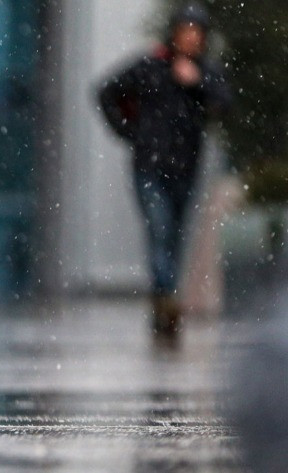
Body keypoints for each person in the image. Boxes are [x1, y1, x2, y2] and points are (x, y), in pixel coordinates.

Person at [97, 3, 231, 340]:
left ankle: (164, 295)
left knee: (175, 234)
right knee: (159, 230)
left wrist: (197, 83)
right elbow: (106, 92)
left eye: (195, 33)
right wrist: (129, 131)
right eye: (184, 31)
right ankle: (165, 297)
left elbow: (224, 104)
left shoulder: (206, 71)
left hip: (186, 167)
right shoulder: (150, 66)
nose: (189, 38)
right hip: (150, 166)